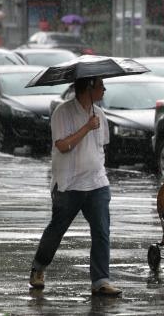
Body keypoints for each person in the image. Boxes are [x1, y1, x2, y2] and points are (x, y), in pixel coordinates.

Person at [29, 76, 122, 296]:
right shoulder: (63, 112)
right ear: (88, 87)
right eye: (100, 85)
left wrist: (100, 169)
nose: (104, 89)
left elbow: (101, 148)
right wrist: (86, 127)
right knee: (57, 230)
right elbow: (62, 146)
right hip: (69, 184)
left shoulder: (99, 114)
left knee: (101, 231)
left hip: (97, 183)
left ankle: (100, 280)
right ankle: (38, 267)